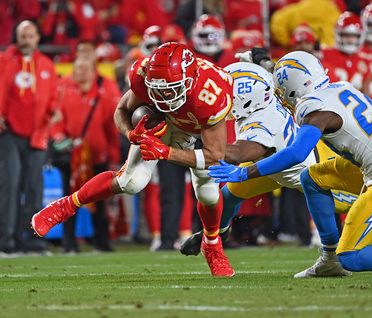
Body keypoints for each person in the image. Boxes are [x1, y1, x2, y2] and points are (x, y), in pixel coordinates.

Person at [209, 51, 372, 277]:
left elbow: (295, 153)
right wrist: (266, 63)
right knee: (311, 179)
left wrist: (246, 174)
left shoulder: (314, 110)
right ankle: (329, 258)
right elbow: (296, 82)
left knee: (352, 256)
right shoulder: (340, 87)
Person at [32, 42, 235, 277]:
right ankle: (65, 205)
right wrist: (131, 133)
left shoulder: (211, 93)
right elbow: (121, 110)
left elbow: (214, 156)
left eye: (170, 89)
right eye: (157, 89)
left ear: (189, 80)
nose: (162, 95)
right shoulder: (143, 74)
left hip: (199, 128)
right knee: (131, 182)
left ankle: (212, 245)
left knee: (207, 192)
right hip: (162, 123)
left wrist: (166, 152)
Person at [51, 57, 121, 252]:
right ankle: (69, 244)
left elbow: (112, 130)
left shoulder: (104, 98)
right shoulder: (64, 94)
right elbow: (57, 122)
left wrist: (113, 156)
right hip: (72, 158)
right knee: (68, 200)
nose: (80, 72)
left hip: (98, 158)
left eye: (84, 68)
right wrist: (58, 136)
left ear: (93, 72)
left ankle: (102, 242)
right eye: (77, 68)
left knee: (100, 202)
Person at [0, 21, 57, 255]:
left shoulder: (46, 64)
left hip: (37, 134)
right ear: (17, 37)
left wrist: (53, 114)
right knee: (10, 185)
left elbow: (54, 97)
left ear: (37, 37)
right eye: (22, 35)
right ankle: (7, 240)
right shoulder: (4, 60)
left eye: (30, 35)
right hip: (9, 133)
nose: (26, 39)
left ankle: (34, 241)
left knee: (34, 187)